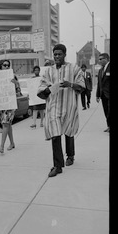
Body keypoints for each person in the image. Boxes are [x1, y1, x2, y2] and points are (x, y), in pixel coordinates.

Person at [37, 44, 85, 177]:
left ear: (65, 54)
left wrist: (69, 84)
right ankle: (58, 166)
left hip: (69, 107)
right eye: (55, 54)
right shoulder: (48, 71)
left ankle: (70, 155)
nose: (57, 56)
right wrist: (49, 89)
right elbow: (40, 92)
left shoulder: (74, 68)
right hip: (53, 107)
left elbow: (82, 87)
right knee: (55, 134)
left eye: (59, 54)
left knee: (69, 132)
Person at [0, 59, 20, 153]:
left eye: (8, 65)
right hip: (1, 105)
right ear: (0, 66)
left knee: (5, 124)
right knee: (7, 124)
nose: (6, 67)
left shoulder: (13, 77)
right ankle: (12, 143)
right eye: (4, 65)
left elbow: (18, 92)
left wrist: (15, 84)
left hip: (10, 104)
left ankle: (1, 146)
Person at [96, 53, 110, 132]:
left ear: (106, 59)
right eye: (99, 59)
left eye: (101, 59)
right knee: (106, 111)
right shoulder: (100, 70)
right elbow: (99, 83)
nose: (100, 61)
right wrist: (97, 95)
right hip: (103, 95)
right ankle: (108, 125)